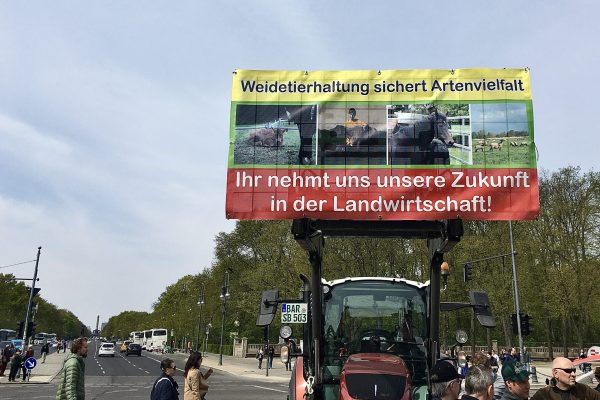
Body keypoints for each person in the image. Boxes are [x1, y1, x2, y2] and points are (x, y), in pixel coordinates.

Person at [530, 357, 600, 400]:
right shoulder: (543, 395)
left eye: (574, 370)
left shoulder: (584, 390)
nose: (573, 374)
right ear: (556, 373)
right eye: (568, 371)